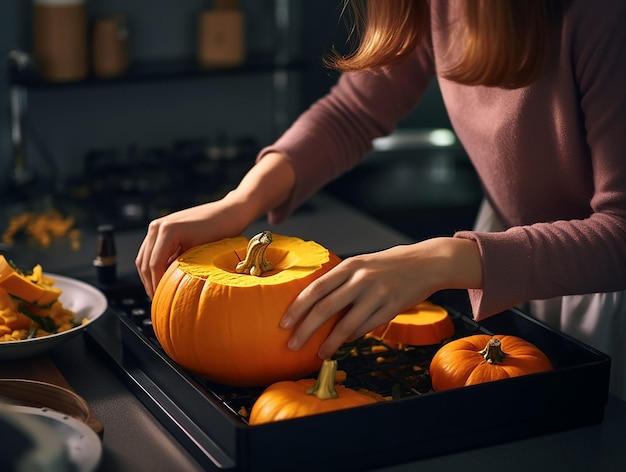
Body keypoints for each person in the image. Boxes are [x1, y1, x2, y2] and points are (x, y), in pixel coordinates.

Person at [136, 0, 626, 400]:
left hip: (599, 288)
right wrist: (240, 203)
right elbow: (352, 112)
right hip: (505, 264)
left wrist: (439, 259)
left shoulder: (604, 16)